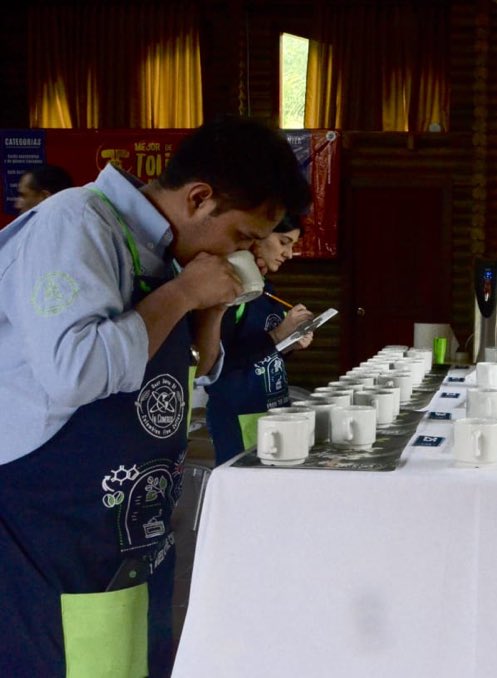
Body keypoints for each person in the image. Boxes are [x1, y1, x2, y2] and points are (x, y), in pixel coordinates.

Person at [0, 116, 311, 678]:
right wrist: (185, 292)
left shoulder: (161, 254)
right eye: (241, 237)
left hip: (127, 532)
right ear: (199, 198)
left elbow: (181, 377)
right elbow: (77, 370)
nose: (243, 252)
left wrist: (205, 307)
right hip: (51, 530)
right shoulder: (76, 222)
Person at [204, 216, 316, 464]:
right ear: (259, 234)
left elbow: (264, 348)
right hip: (239, 413)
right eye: (283, 242)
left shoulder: (266, 289)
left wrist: (290, 343)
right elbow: (218, 363)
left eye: (292, 246)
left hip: (272, 408)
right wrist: (277, 335)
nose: (288, 253)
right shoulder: (232, 290)